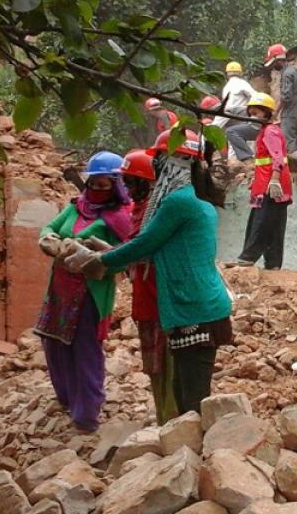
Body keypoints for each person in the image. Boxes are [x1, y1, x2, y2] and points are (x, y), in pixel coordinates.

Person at [81, 129, 232, 415]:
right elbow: (149, 247)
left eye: (160, 159)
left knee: (192, 398)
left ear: (176, 161)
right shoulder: (192, 200)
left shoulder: (178, 202)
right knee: (185, 390)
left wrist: (100, 261)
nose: (156, 167)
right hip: (195, 306)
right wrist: (105, 253)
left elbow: (144, 243)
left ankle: (201, 456)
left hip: (194, 308)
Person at [36, 151, 132, 432]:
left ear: (117, 185)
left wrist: (98, 256)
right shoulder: (77, 206)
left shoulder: (120, 217)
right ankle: (66, 398)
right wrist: (50, 240)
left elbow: (129, 257)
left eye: (105, 185)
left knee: (85, 350)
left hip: (90, 293)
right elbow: (51, 227)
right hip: (60, 290)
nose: (98, 190)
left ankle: (86, 413)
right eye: (94, 184)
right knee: (54, 344)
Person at [120, 149, 178, 425]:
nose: (128, 190)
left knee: (168, 364)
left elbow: (141, 249)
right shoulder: (139, 211)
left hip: (160, 298)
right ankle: (163, 417)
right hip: (145, 298)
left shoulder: (158, 214)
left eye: (132, 183)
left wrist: (107, 257)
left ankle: (172, 420)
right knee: (155, 365)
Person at [236, 93, 293, 269]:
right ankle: (274, 263)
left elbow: (277, 157)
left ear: (267, 113)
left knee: (261, 222)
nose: (252, 116)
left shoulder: (270, 132)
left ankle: (248, 257)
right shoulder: (267, 132)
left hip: (271, 185)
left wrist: (274, 180)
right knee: (274, 225)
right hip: (268, 183)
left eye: (256, 113)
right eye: (250, 113)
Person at [266, 43, 297, 153]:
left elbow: (286, 97)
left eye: (274, 63)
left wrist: (276, 112)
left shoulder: (287, 74)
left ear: (278, 60)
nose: (273, 66)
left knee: (290, 144)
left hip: (290, 113)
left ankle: (294, 168)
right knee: (296, 142)